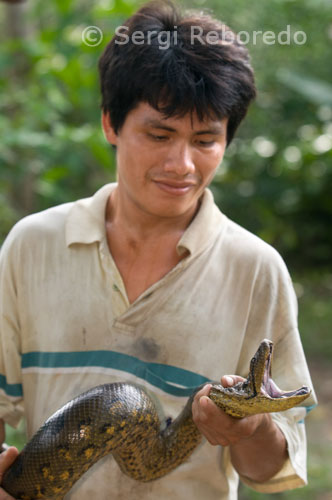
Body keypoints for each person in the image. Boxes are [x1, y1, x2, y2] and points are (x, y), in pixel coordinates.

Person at [0, 1, 316, 499]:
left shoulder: (255, 270)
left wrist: (248, 427)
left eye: (206, 140)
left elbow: (269, 473)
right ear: (111, 124)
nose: (181, 164)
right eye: (159, 133)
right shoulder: (32, 244)